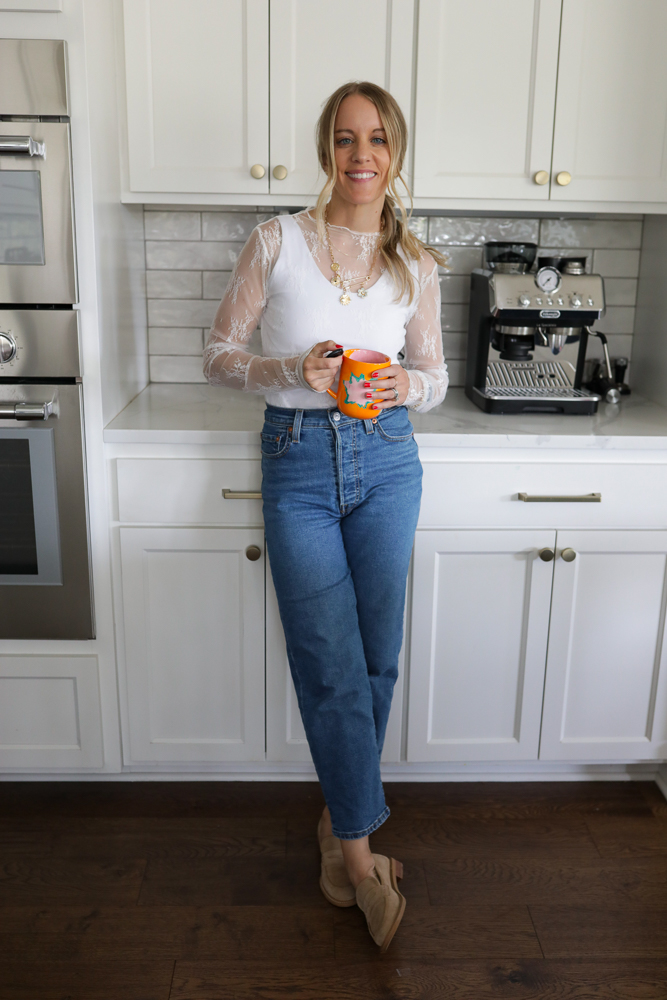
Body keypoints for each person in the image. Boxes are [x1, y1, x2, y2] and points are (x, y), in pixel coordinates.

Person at [203, 81, 448, 952]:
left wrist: (400, 385)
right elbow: (219, 354)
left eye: (376, 139)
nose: (360, 156)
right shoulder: (276, 241)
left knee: (375, 663)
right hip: (298, 464)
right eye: (345, 139)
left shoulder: (413, 262)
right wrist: (286, 373)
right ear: (325, 151)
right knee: (329, 664)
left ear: (395, 152)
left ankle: (335, 822)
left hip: (386, 459)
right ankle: (358, 859)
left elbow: (434, 377)